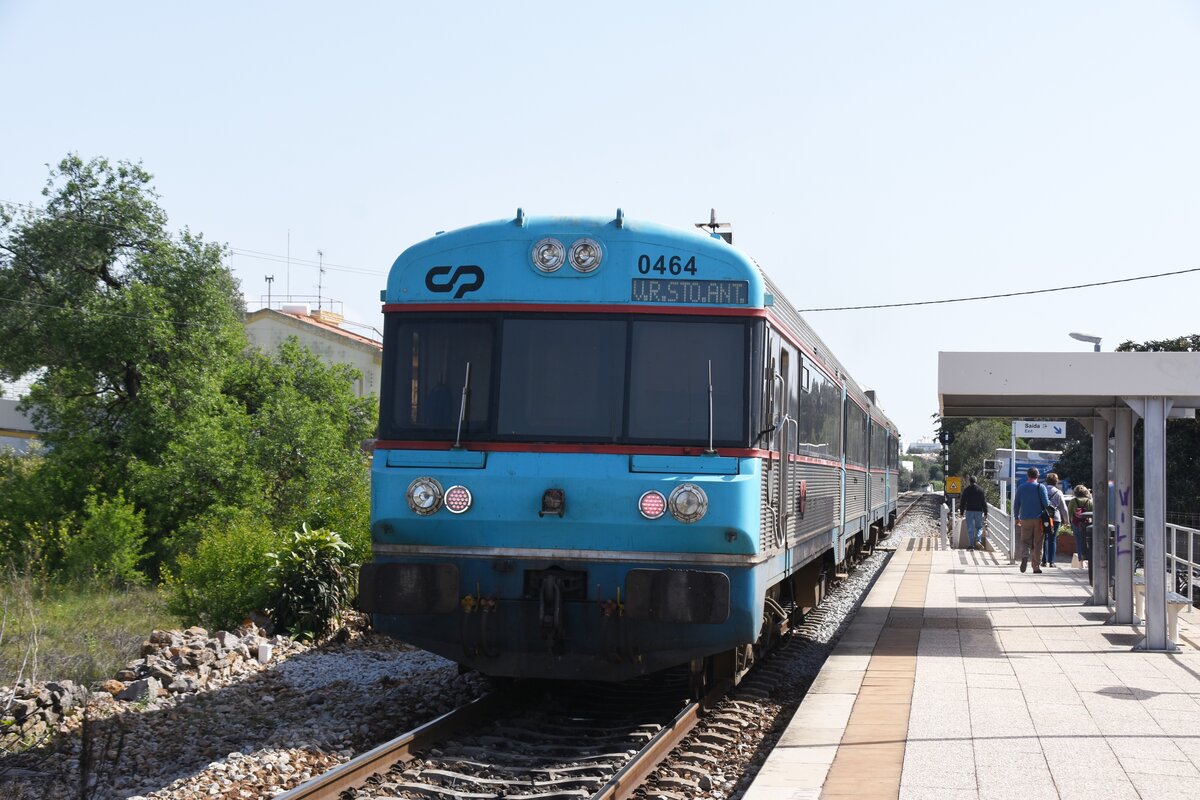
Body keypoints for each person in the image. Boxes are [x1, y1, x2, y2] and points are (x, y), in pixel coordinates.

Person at [1012, 466, 1050, 573]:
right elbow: (1046, 503)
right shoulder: (1041, 487)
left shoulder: (1021, 487)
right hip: (1039, 519)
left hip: (1025, 519)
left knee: (1025, 541)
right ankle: (1036, 566)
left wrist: (1016, 517)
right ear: (1038, 475)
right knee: (1038, 543)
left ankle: (1024, 557)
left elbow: (1016, 504)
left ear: (1027, 476)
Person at [1042, 473, 1071, 568]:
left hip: (1044, 517)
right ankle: (1052, 561)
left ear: (1047, 481)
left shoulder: (1042, 490)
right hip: (1055, 518)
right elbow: (1063, 507)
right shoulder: (1058, 492)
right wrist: (1066, 520)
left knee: (1044, 538)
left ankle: (1044, 560)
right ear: (1056, 481)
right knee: (1052, 539)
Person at [1067, 484, 1094, 567]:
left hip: (1076, 523)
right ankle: (1090, 560)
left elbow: (1069, 512)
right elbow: (1093, 512)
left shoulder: (1073, 501)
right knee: (1089, 542)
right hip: (1087, 524)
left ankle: (1081, 562)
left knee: (1079, 542)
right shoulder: (1089, 501)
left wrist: (1069, 521)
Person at [960, 475, 988, 550]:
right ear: (976, 481)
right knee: (979, 527)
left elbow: (962, 502)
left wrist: (961, 512)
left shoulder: (966, 490)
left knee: (970, 528)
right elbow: (983, 502)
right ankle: (978, 540)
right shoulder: (980, 490)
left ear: (970, 481)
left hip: (969, 511)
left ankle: (971, 545)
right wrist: (985, 512)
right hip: (978, 511)